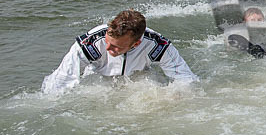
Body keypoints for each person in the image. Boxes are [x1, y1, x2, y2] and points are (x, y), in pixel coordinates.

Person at [42, 9, 198, 94]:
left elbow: (185, 78)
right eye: (108, 42)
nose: (109, 48)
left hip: (138, 78)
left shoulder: (157, 45)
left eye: (117, 47)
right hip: (98, 79)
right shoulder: (90, 43)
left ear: (136, 43)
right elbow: (62, 78)